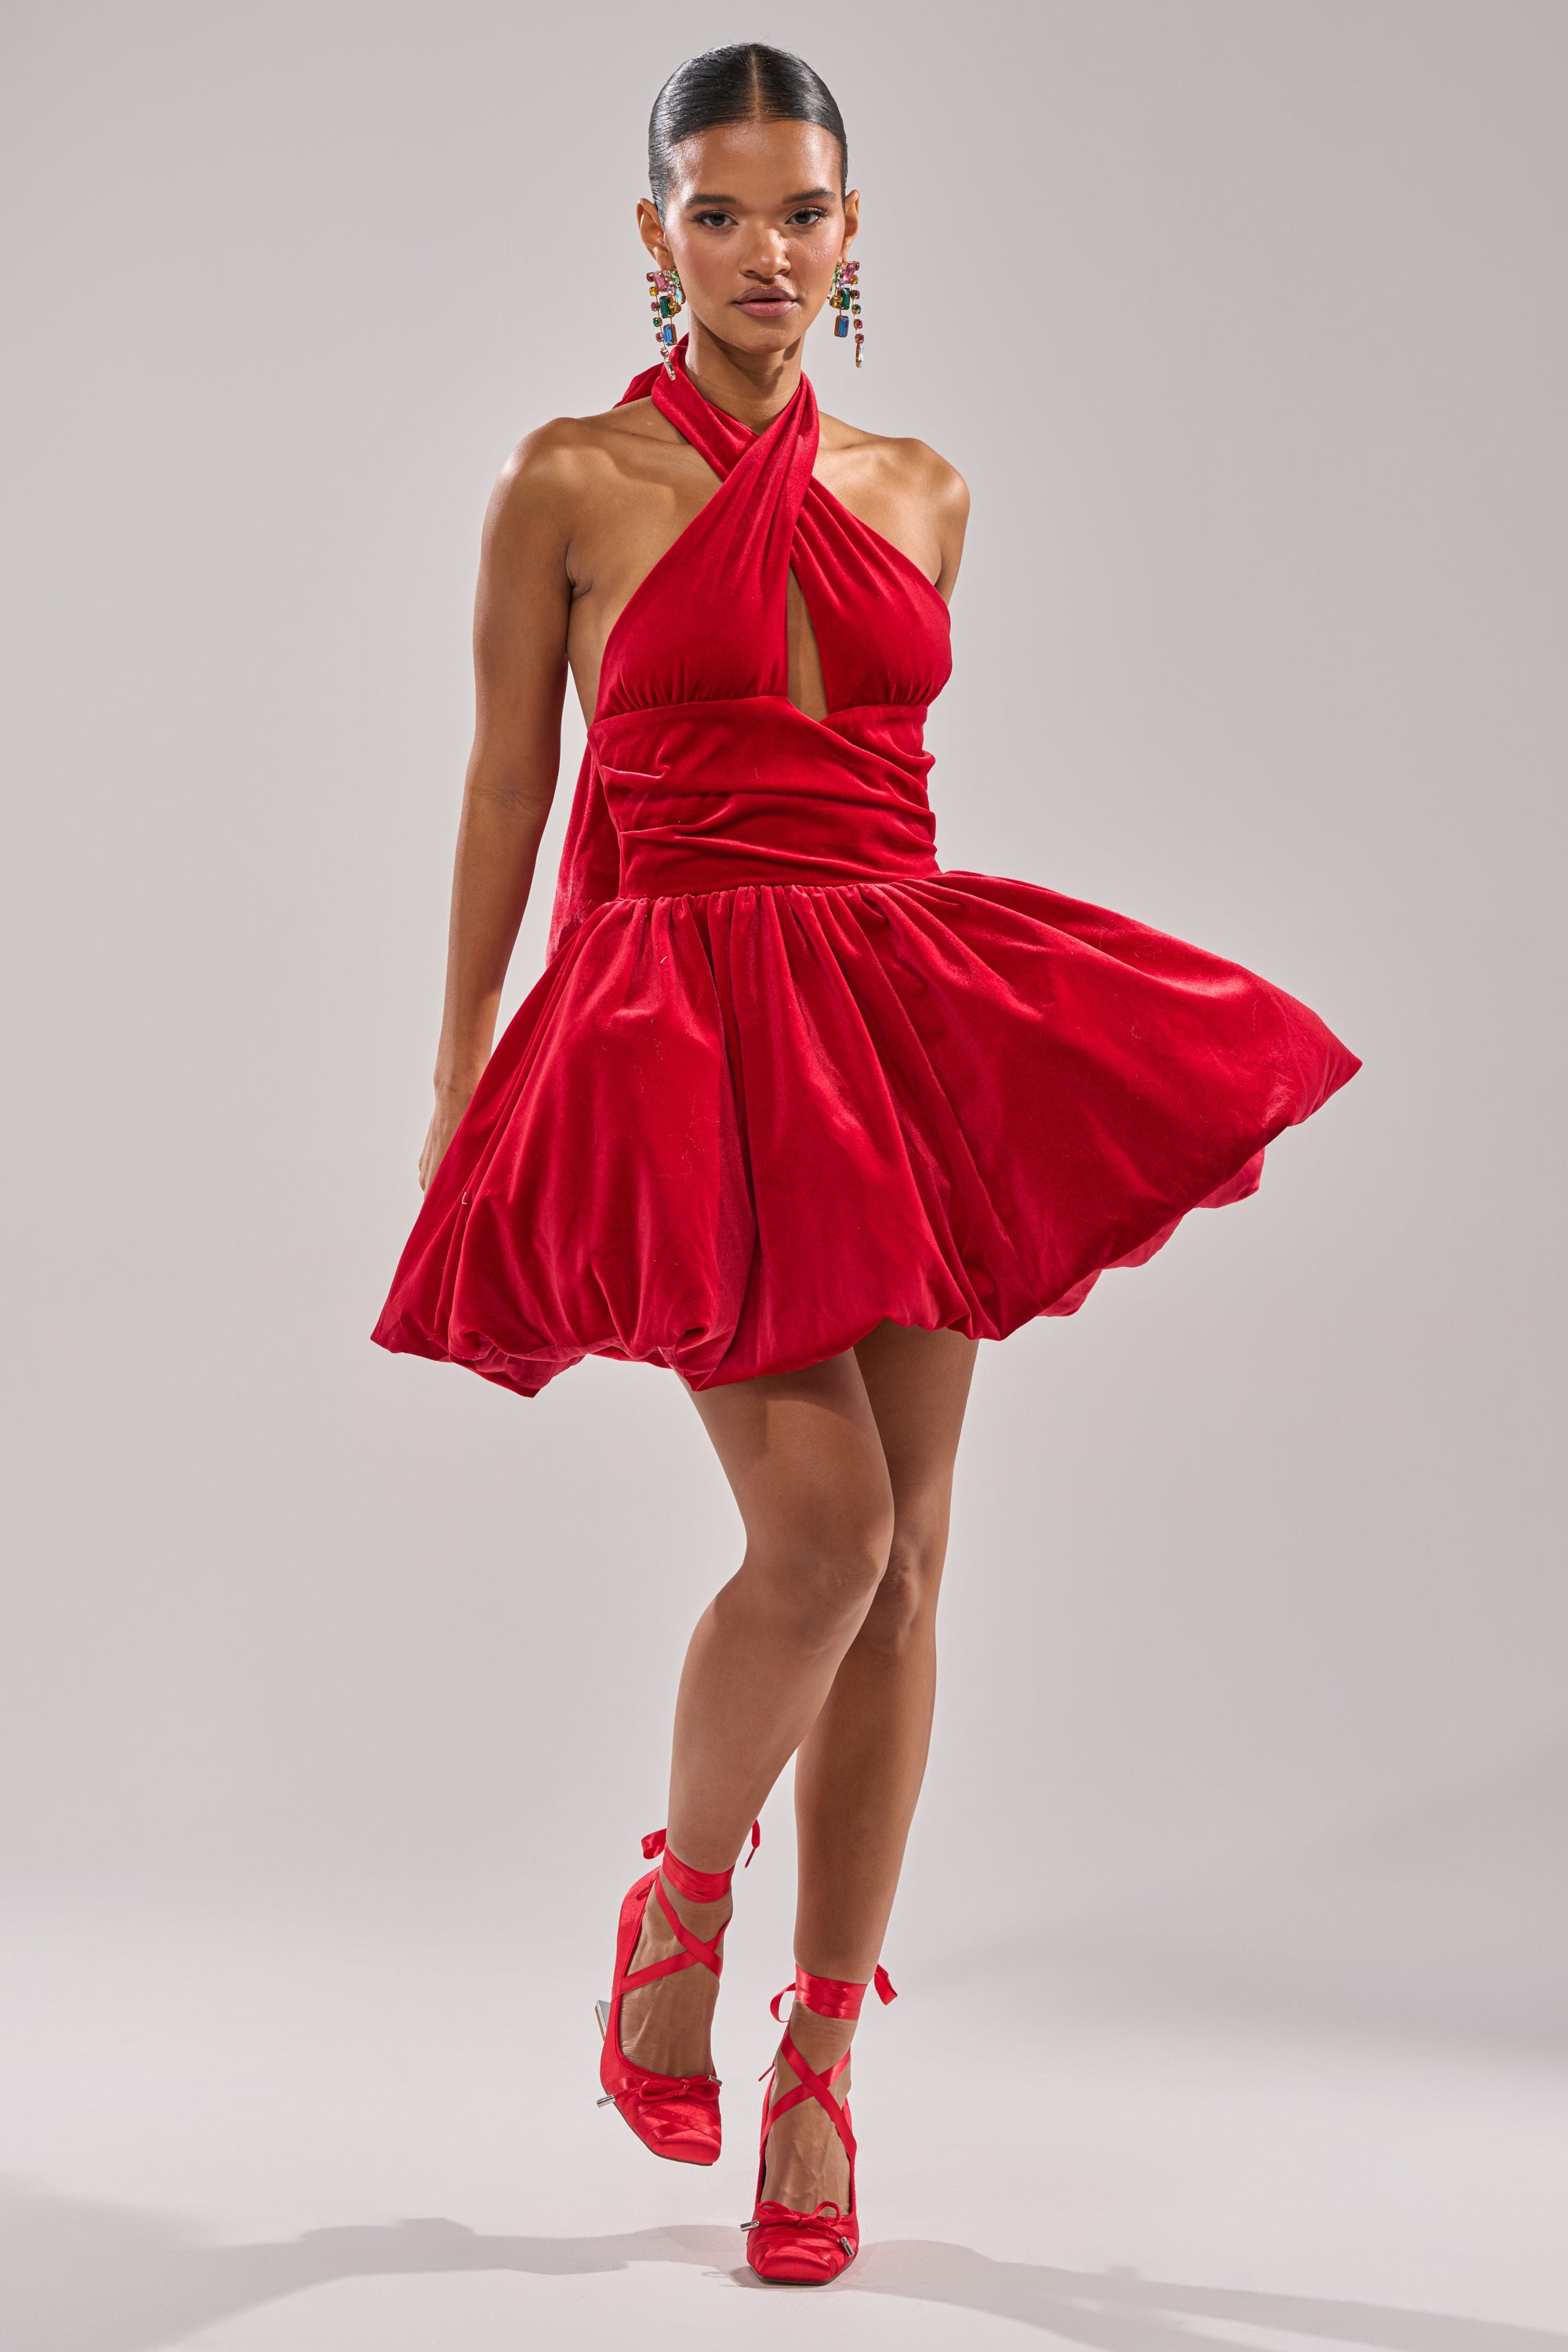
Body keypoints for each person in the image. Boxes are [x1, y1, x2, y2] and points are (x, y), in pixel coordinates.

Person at [372, 42, 1359, 2285]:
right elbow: (510, 793)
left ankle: (818, 2070)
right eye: (719, 214)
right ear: (654, 237)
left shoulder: (925, 489)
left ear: (854, 231)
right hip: (681, 1027)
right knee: (817, 1536)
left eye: (802, 211)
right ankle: (681, 1904)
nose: (767, 253)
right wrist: (463, 1073)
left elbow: (882, 791)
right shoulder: (568, 482)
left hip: (900, 1019)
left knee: (913, 1568)